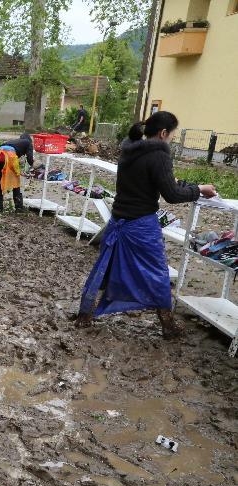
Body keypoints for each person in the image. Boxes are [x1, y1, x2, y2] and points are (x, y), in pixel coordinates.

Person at [74, 111, 216, 338]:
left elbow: (146, 181)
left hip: (118, 221)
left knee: (105, 269)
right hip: (141, 226)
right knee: (156, 273)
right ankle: (168, 324)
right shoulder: (159, 155)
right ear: (163, 133)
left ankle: (85, 315)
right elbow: (171, 194)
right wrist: (199, 190)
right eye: (171, 135)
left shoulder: (129, 150)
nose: (171, 140)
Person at [0, 133, 34, 212]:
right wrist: (34, 168)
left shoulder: (12, 142)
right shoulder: (28, 143)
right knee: (15, 182)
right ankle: (19, 208)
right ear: (29, 140)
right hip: (9, 157)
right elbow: (30, 159)